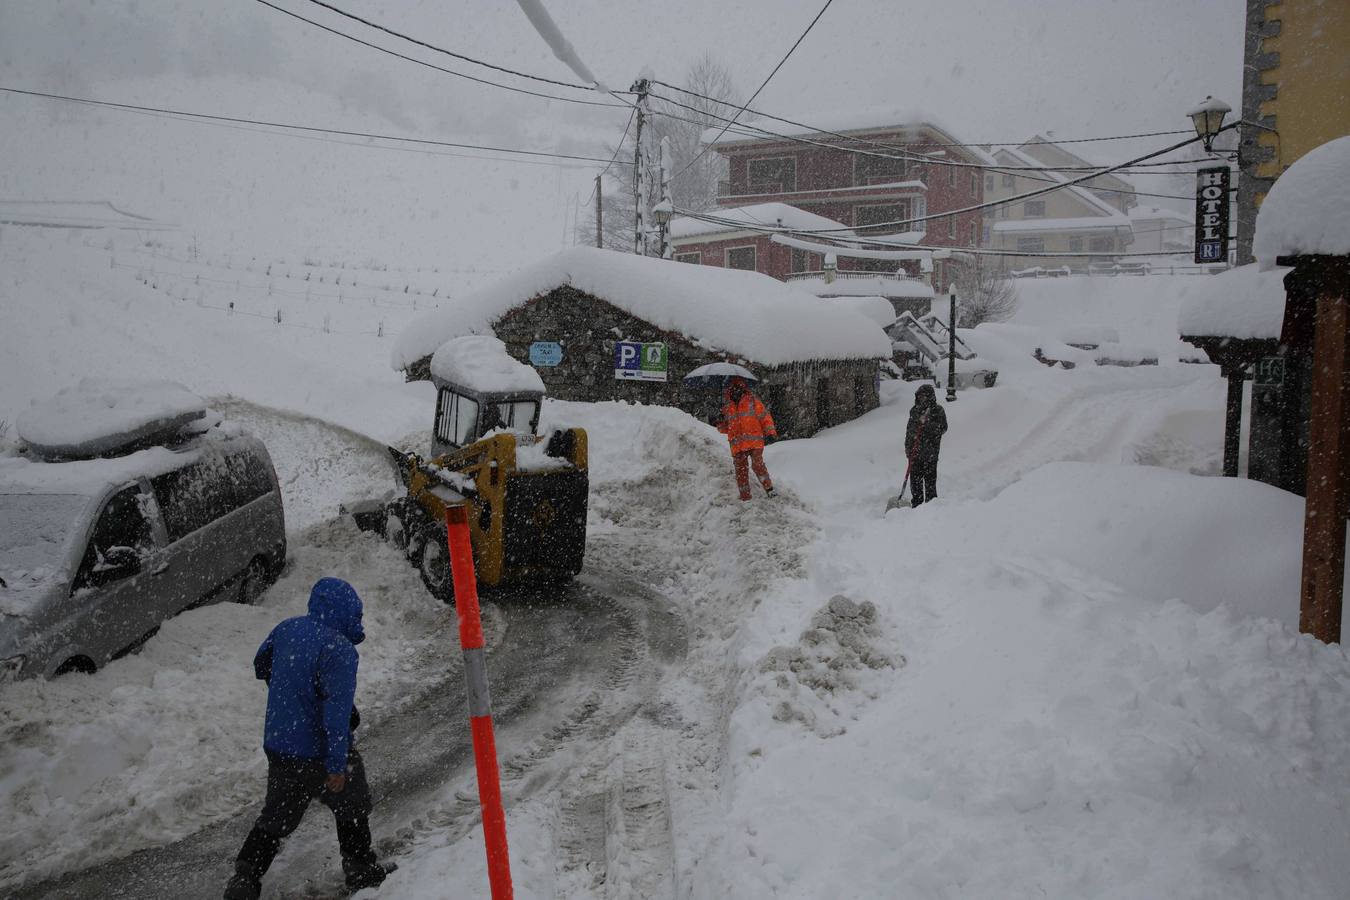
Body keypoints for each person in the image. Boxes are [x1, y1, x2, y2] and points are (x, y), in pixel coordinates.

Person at [224, 578, 391, 900]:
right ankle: (360, 867)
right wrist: (337, 765)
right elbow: (336, 716)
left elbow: (262, 665)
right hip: (315, 750)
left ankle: (245, 879)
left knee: (276, 815)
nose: (358, 623)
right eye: (356, 616)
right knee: (352, 801)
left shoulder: (287, 629)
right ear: (344, 612)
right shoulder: (339, 650)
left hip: (280, 744)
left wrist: (293, 692)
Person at [714, 376, 777, 501]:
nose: (736, 391)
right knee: (741, 471)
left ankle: (769, 489)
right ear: (729, 391)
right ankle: (745, 497)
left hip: (754, 442)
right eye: (733, 389)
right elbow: (725, 429)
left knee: (757, 465)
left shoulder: (753, 402)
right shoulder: (727, 408)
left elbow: (765, 417)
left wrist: (770, 433)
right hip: (737, 445)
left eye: (738, 388)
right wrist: (719, 422)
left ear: (743, 389)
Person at [905, 383, 948, 507]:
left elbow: (943, 428)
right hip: (915, 454)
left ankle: (931, 509)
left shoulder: (937, 410)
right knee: (915, 485)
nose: (921, 398)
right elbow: (909, 431)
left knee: (930, 486)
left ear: (930, 396)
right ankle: (916, 507)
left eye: (924, 396)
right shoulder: (914, 411)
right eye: (919, 396)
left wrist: (927, 424)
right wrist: (908, 449)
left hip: (930, 454)